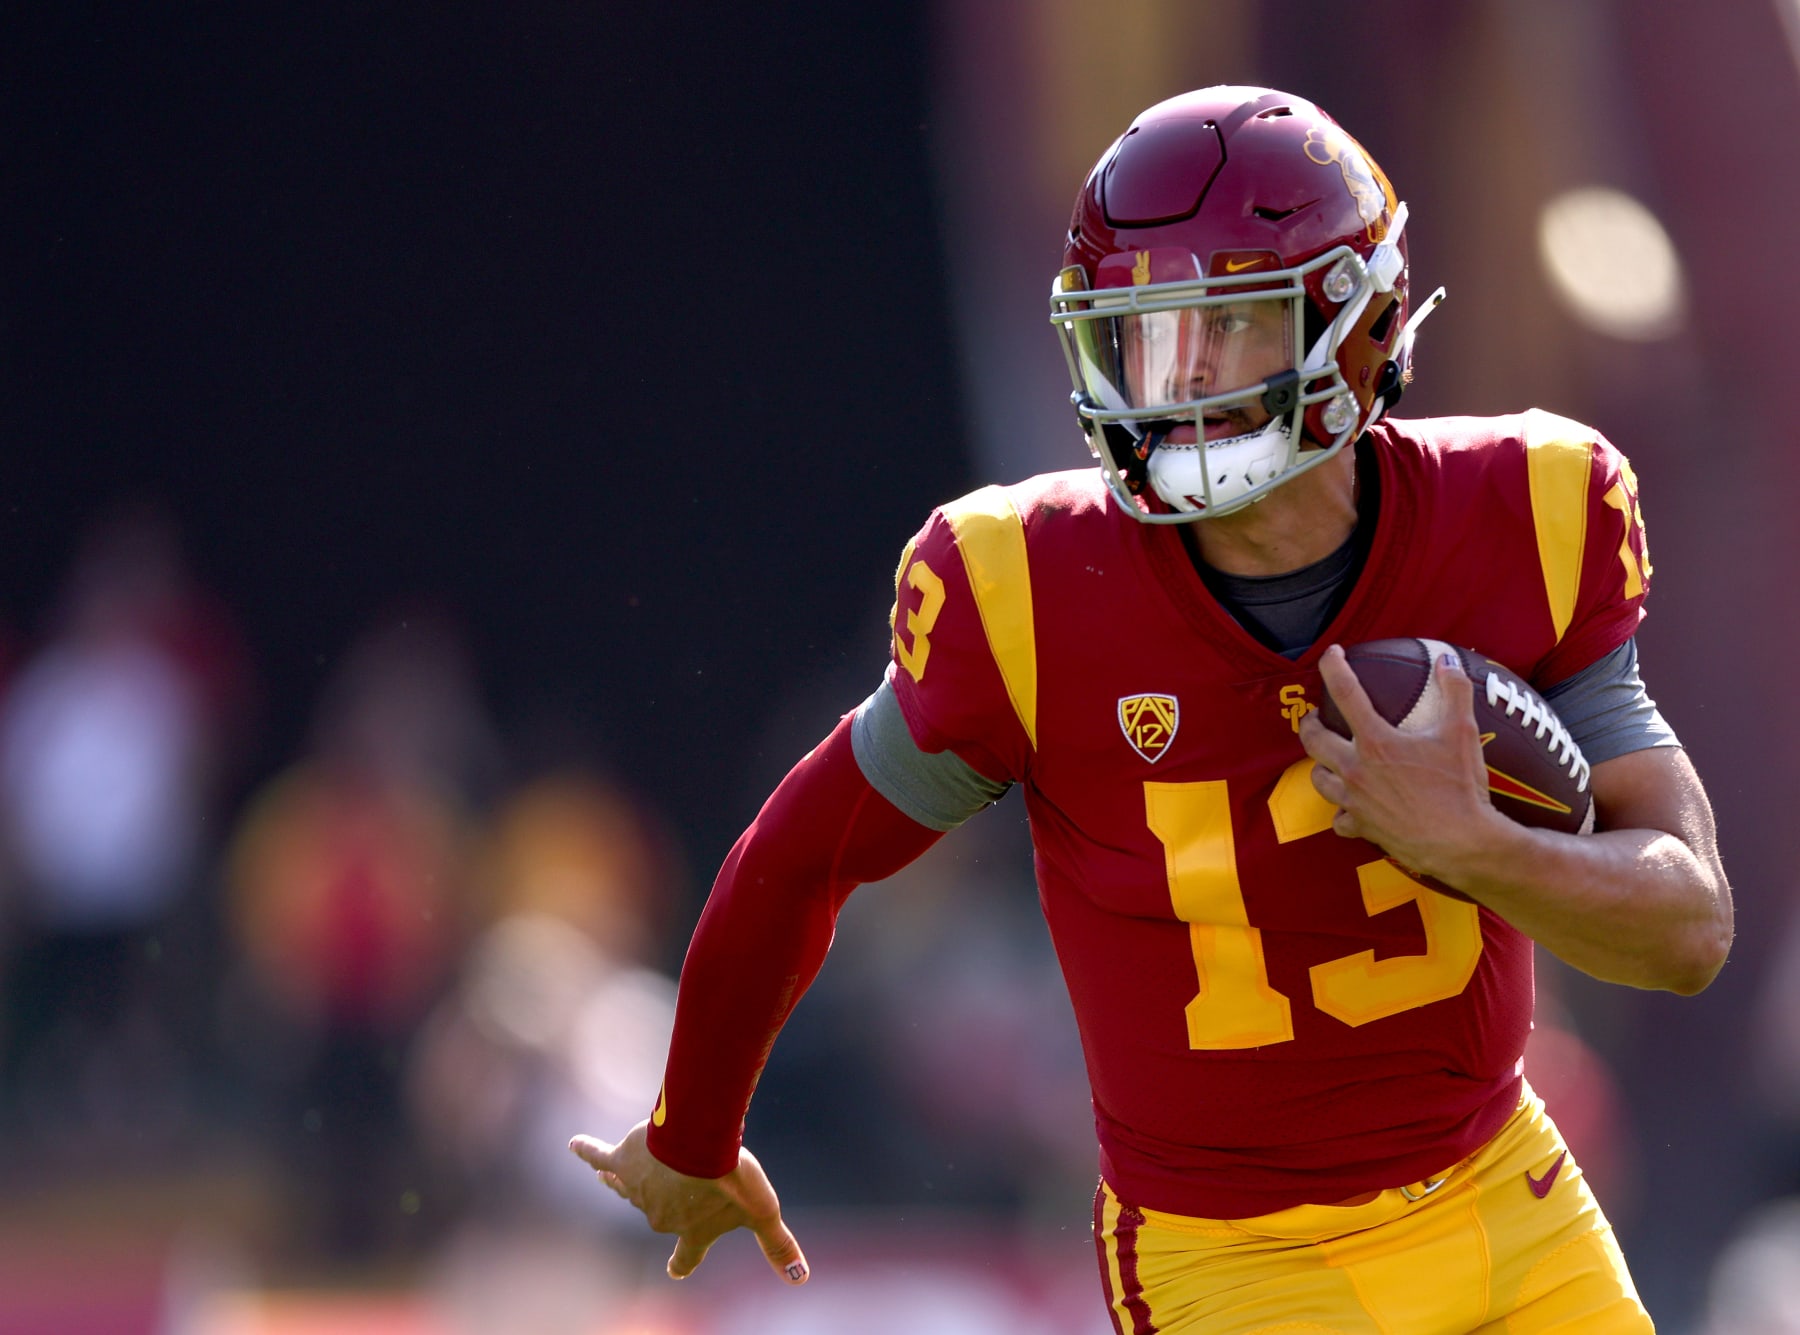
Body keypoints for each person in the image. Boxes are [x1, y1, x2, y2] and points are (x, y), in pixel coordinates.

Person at [570, 86, 1733, 1332]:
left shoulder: (1529, 511)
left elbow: (1688, 930)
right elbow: (799, 859)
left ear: (1355, 325)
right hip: (1233, 1263)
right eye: (1140, 335)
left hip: (1509, 1192)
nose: (1171, 380)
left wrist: (1474, 846)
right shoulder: (1024, 591)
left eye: (1221, 329)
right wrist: (693, 1136)